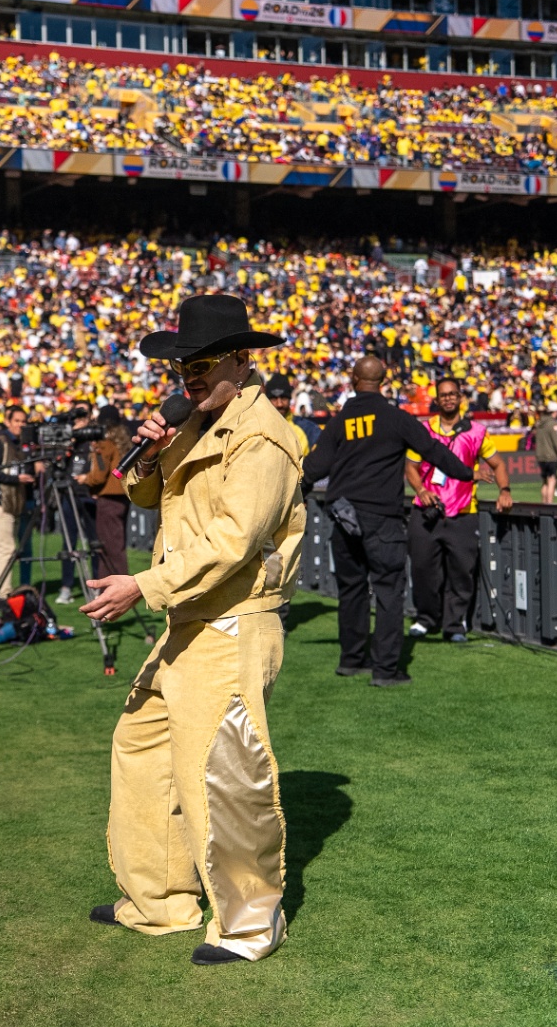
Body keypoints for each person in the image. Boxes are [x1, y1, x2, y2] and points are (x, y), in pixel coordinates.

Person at [79, 293, 304, 966]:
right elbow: (148, 495)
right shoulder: (203, 423)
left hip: (232, 619)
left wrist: (142, 586)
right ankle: (158, 900)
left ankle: (248, 924)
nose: (189, 377)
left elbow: (233, 542)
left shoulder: (262, 436)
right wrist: (150, 454)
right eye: (182, 367)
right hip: (191, 617)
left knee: (223, 770)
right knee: (142, 745)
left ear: (242, 356)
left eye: (202, 364)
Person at [302, 356, 473, 688]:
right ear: (383, 380)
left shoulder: (339, 422)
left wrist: (295, 492)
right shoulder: (396, 418)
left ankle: (352, 660)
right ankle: (386, 669)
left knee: (351, 589)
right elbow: (433, 450)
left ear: (353, 379)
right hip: (382, 517)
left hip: (343, 516)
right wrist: (467, 473)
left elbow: (315, 468)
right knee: (388, 591)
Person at [406, 376, 513, 643]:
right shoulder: (424, 430)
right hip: (426, 510)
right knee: (422, 569)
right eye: (444, 395)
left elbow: (498, 464)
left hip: (463, 512)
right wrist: (421, 490)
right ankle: (426, 618)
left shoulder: (476, 431)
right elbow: (410, 467)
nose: (449, 398)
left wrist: (505, 491)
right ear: (437, 399)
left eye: (453, 393)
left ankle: (454, 624)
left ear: (460, 397)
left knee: (461, 571)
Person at [0, 406, 34, 584]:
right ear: (7, 421)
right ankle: (4, 595)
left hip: (15, 501)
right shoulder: (0, 442)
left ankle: (12, 590)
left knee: (10, 548)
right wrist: (16, 478)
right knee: (6, 548)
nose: (20, 425)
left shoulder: (21, 443)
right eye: (17, 421)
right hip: (0, 501)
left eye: (23, 421)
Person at [78, 408, 132, 579]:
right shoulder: (122, 441)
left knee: (110, 548)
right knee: (115, 545)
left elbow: (99, 475)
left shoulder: (105, 442)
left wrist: (84, 478)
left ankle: (115, 587)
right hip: (122, 496)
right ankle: (110, 587)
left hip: (108, 499)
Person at [264, 374, 311, 458]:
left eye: (284, 398)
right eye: (274, 399)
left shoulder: (306, 429)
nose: (280, 404)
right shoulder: (258, 427)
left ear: (290, 400)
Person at [534, 403, 557, 504]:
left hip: (541, 456)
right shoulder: (553, 425)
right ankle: (549, 505)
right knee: (552, 480)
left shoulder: (539, 424)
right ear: (555, 412)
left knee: (545, 482)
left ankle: (544, 505)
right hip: (551, 457)